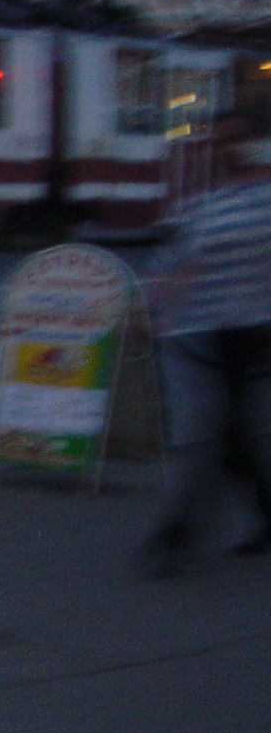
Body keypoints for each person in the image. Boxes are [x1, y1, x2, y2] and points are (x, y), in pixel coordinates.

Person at [140, 105, 271, 574]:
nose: (218, 150)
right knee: (227, 435)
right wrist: (154, 310)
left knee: (210, 437)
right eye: (215, 141)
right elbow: (179, 263)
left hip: (255, 335)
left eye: (228, 140)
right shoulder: (205, 203)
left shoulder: (261, 198)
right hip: (202, 340)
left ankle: (174, 534)